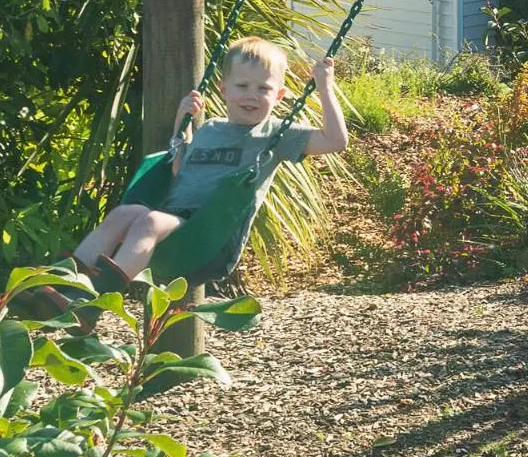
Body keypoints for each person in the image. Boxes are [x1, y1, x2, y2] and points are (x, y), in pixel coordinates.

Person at [71, 37, 348, 286]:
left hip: (210, 239)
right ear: (223, 89)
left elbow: (335, 141)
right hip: (174, 221)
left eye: (263, 88)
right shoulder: (209, 129)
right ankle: (67, 280)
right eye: (242, 86)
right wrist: (182, 123)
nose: (251, 95)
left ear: (278, 96)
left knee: (150, 221)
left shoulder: (276, 134)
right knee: (124, 214)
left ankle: (96, 296)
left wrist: (325, 87)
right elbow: (179, 170)